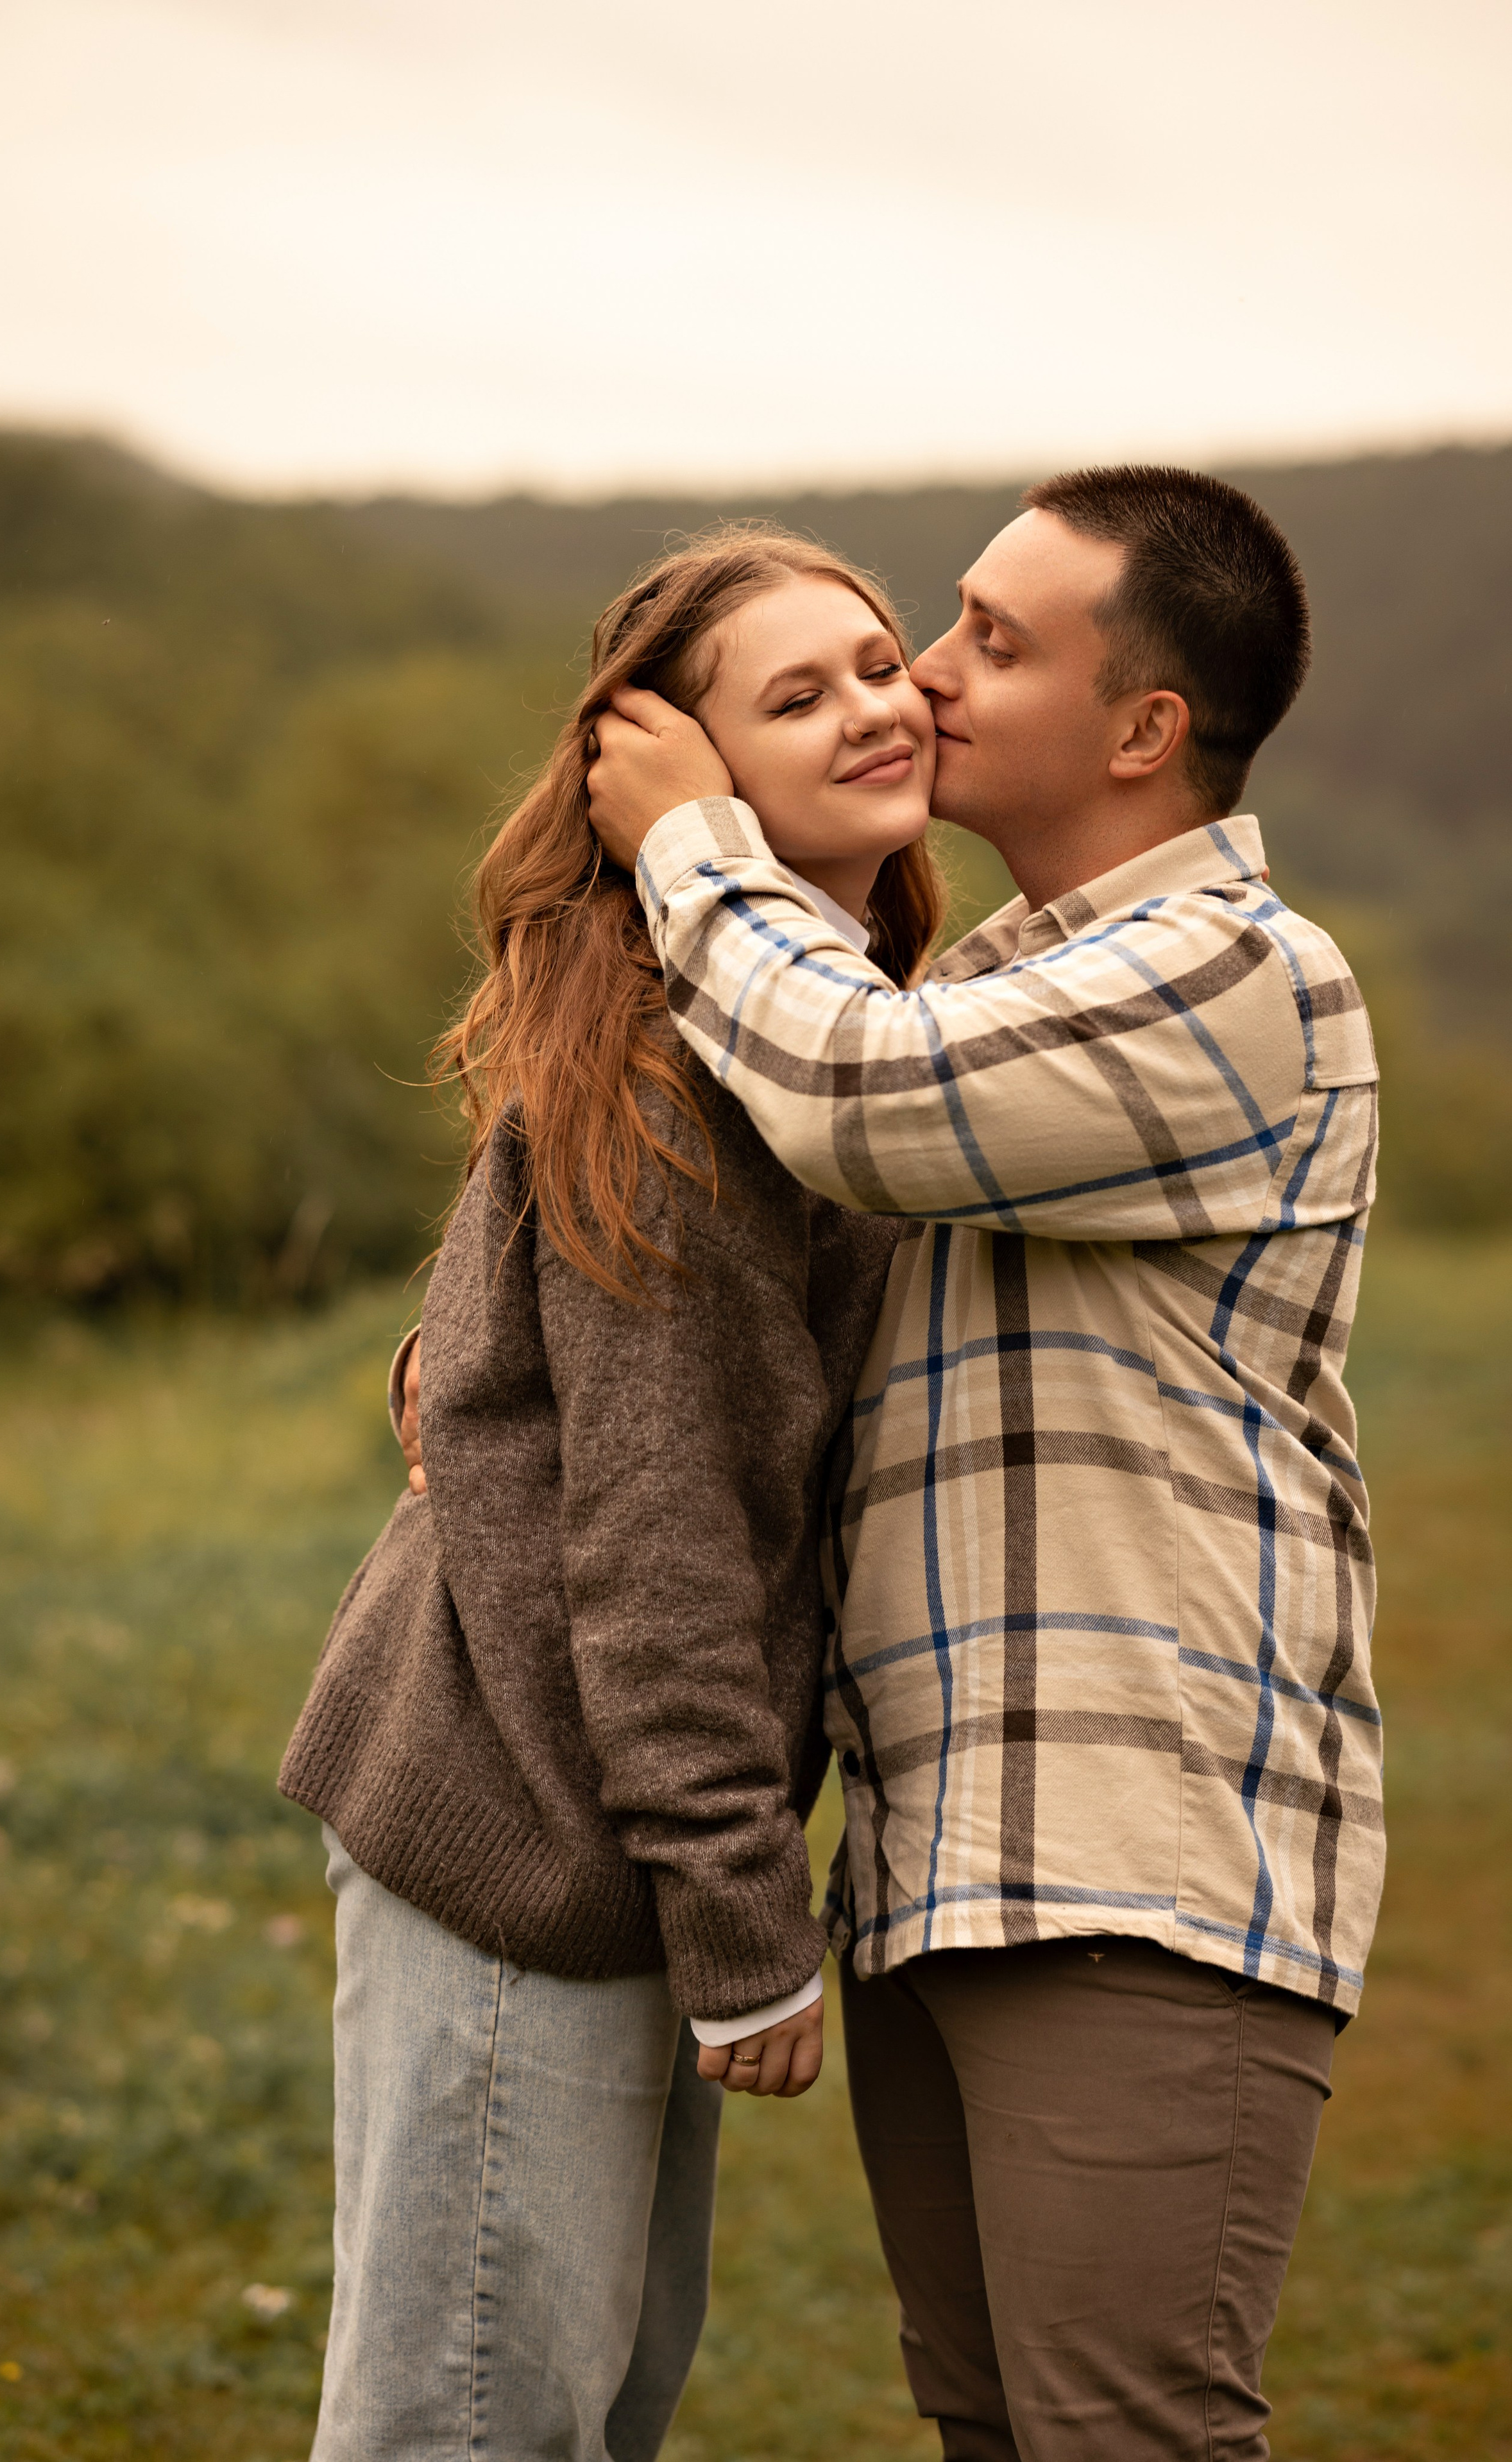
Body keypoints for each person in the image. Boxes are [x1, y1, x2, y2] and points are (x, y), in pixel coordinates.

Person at [586, 466, 1383, 2462]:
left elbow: (857, 1104)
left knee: (1122, 2430)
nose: (926, 675)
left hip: (1135, 1859)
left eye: (992, 644)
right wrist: (496, 1347)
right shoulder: (984, 985)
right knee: (990, 2425)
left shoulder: (1239, 972)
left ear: (1143, 730)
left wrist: (689, 842)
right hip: (943, 1856)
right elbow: (772, 1294)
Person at [278, 525, 951, 2462]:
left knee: (593, 2398)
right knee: (475, 2423)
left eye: (879, 661)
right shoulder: (688, 1070)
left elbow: (559, 1381)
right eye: (795, 695)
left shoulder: (827, 1034)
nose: (873, 708)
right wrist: (742, 1912)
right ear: (688, 779)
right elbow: (662, 1528)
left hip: (601, 1821)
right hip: (528, 1822)